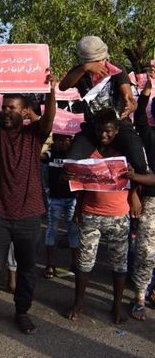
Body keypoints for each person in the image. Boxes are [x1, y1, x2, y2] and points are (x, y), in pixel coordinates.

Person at [0, 69, 57, 338]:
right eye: (5, 106)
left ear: (24, 112)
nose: (7, 110)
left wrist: (51, 90)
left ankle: (22, 312)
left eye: (13, 107)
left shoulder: (34, 136)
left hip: (29, 215)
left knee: (28, 270)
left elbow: (48, 120)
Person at [67, 110, 141, 324]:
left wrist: (135, 196)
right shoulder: (88, 154)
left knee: (119, 266)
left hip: (119, 216)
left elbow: (136, 178)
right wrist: (79, 210)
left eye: (108, 131)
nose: (103, 135)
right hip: (91, 215)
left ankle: (116, 306)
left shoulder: (124, 154)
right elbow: (81, 187)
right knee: (84, 263)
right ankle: (78, 303)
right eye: (100, 131)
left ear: (116, 130)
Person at [58, 36, 147, 174]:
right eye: (96, 61)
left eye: (102, 59)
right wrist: (85, 68)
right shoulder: (80, 71)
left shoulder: (116, 69)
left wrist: (131, 104)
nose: (101, 63)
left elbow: (128, 96)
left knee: (139, 164)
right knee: (71, 163)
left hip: (119, 125)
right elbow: (63, 86)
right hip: (93, 127)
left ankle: (144, 194)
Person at [126, 67, 155, 320]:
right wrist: (146, 92)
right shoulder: (148, 135)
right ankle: (139, 298)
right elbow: (142, 120)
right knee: (145, 251)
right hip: (152, 201)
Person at [42, 133, 79, 279]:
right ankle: (50, 264)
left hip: (72, 199)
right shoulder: (50, 154)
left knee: (73, 232)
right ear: (54, 141)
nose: (65, 143)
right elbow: (40, 156)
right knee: (52, 230)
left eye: (68, 139)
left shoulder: (76, 154)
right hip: (55, 199)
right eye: (61, 140)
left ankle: (75, 264)